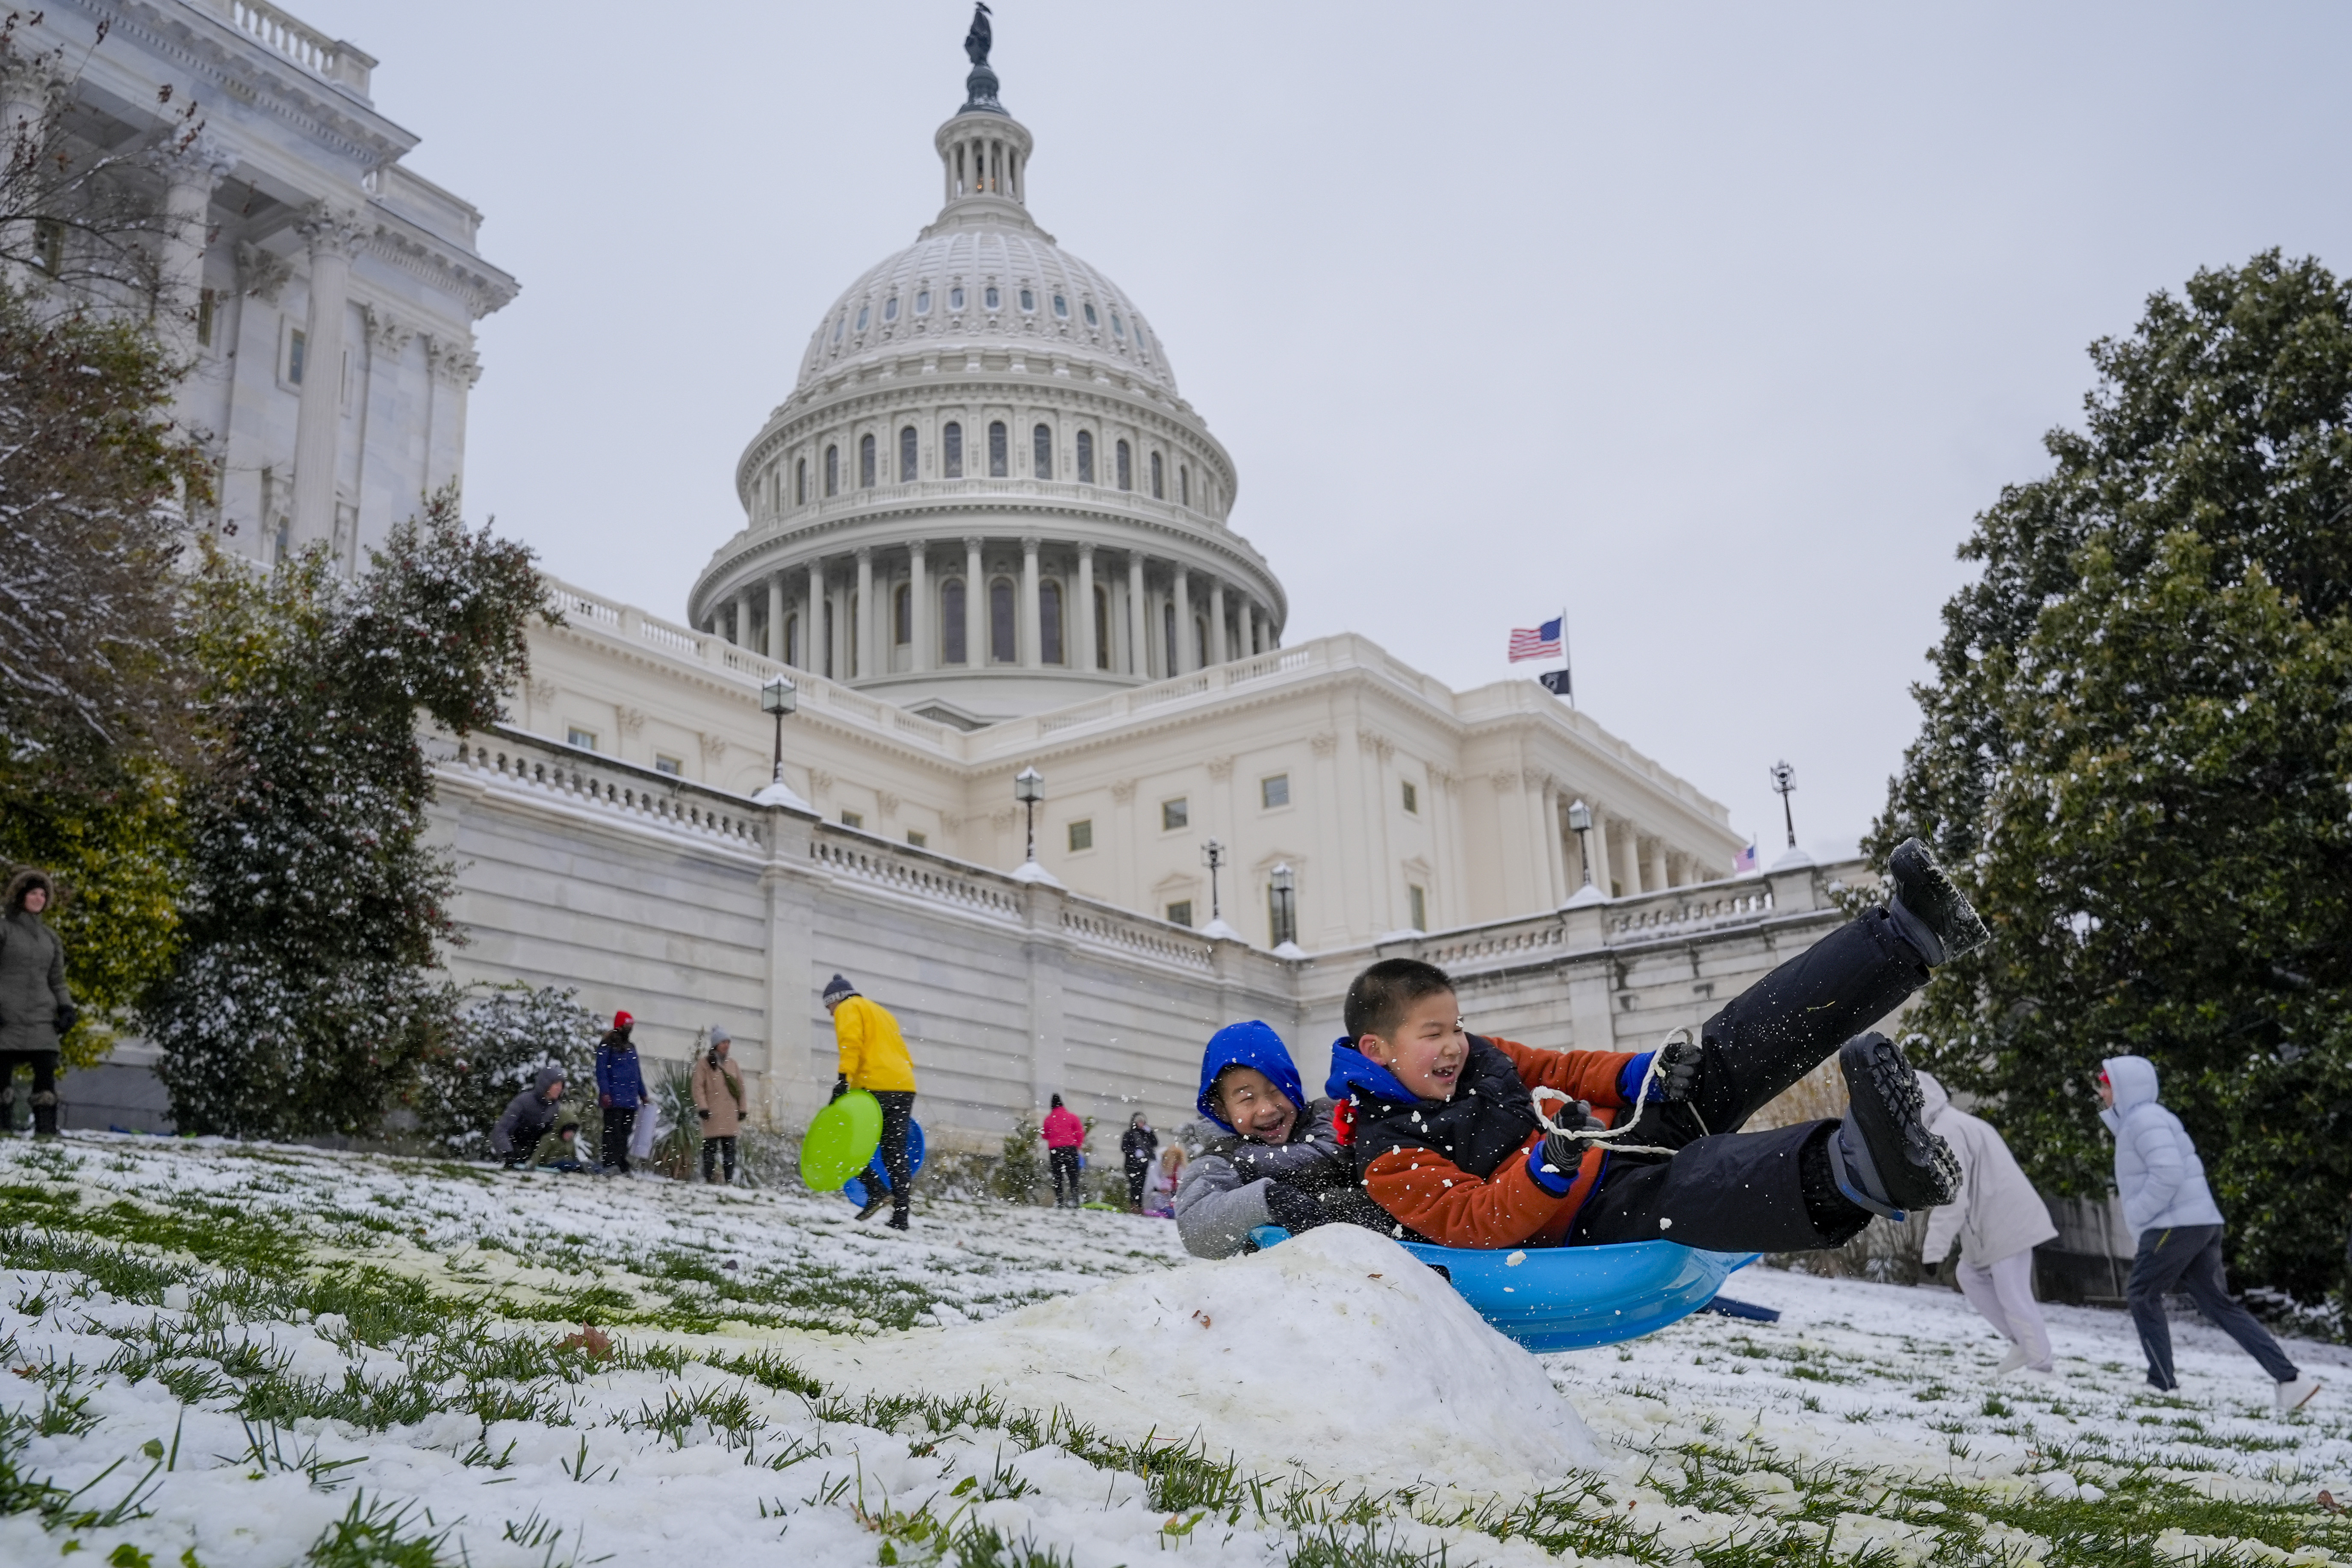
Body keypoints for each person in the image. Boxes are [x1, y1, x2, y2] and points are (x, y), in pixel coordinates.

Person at [1326, 838, 1986, 1255]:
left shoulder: (1478, 1053)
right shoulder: (1386, 1150)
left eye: (1456, 1025)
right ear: (1377, 1047)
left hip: (1626, 1127)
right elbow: (1470, 1219)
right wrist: (1544, 1169)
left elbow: (1561, 1068)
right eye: (1433, 1034)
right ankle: (1868, 1165)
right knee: (1693, 1185)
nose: (1454, 1044)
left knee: (1728, 1047)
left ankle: (1910, 937)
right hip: (1585, 1207)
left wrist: (1643, 1072)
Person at [2100, 1056, 2320, 1413]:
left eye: (2106, 1083)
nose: (2101, 1091)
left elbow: (2167, 1173)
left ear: (2124, 1086)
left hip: (2173, 1224)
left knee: (2142, 1293)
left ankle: (2160, 1383)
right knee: (2217, 1304)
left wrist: (2139, 1213)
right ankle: (2291, 1380)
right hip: (2199, 1221)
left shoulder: (2143, 1120)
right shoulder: (2148, 1119)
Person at [1175, 1020, 1387, 1258]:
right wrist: (1267, 1200)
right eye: (1247, 1099)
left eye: (1276, 1090)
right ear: (1222, 1110)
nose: (1266, 1109)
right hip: (1283, 1278)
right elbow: (1195, 1229)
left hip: (1375, 1268)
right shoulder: (1221, 1160)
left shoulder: (1335, 1120)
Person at [1917, 1071, 2060, 1376]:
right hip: (1994, 1224)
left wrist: (1933, 1251)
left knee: (2013, 1292)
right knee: (1969, 1274)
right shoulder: (1950, 1124)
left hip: (2006, 1221)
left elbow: (1953, 1197)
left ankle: (2041, 1364)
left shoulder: (1948, 1131)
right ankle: (2022, 1342)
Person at [824, 973, 918, 1229]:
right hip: (904, 1085)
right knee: (894, 1153)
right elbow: (902, 1052)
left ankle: (876, 1190)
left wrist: (843, 1080)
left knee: (846, 1143)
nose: (831, 1014)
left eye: (828, 1007)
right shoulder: (882, 1012)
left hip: (874, 1085)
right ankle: (901, 1217)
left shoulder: (848, 1008)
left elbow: (851, 1043)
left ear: (836, 999)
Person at [0, 870, 76, 1140]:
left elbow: (58, 980)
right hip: (6, 1015)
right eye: (34, 893)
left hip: (41, 1016)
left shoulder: (50, 938)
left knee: (46, 1070)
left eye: (43, 894)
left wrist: (67, 1008)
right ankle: (3, 1130)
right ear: (20, 896)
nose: (39, 898)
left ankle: (46, 1132)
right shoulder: (4, 929)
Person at [594, 1010, 646, 1174]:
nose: (630, 1028)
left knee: (624, 1133)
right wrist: (605, 1093)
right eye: (627, 1024)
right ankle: (610, 1162)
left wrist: (643, 1094)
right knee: (612, 1131)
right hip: (614, 1099)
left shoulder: (631, 1048)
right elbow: (601, 1071)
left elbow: (637, 1073)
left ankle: (621, 1161)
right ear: (620, 1025)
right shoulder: (607, 1045)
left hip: (630, 1100)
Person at [694, 1025, 746, 1186]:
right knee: (710, 1149)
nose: (727, 1046)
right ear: (716, 1044)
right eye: (723, 1042)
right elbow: (698, 1087)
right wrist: (703, 1107)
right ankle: (708, 1178)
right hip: (712, 1114)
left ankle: (729, 1180)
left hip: (730, 1114)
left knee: (729, 1150)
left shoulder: (733, 1064)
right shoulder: (704, 1064)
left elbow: (741, 1088)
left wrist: (743, 1109)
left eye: (728, 1043)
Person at [491, 1066, 567, 1170]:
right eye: (556, 1085)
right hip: (513, 1152)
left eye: (561, 1085)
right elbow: (501, 1129)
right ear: (546, 1084)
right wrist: (507, 1153)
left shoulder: (555, 1107)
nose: (560, 1088)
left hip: (533, 1159)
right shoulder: (524, 1101)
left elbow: (548, 1136)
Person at [1042, 1094, 1084, 1208]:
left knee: (1058, 1177)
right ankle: (1075, 1199)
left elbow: (1045, 1135)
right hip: (1070, 1149)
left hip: (1055, 1150)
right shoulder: (1072, 1117)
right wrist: (1077, 1146)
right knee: (1073, 1176)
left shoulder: (1049, 1119)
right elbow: (1080, 1132)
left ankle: (1060, 1200)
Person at [1120, 1113, 1159, 1211]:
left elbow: (1155, 1143)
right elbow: (1124, 1147)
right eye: (1139, 1122)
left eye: (1142, 1122)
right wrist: (1134, 1152)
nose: (1141, 1124)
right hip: (1132, 1164)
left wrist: (1151, 1132)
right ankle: (1133, 1204)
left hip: (1143, 1164)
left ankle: (1139, 1205)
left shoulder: (1146, 1134)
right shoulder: (1129, 1134)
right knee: (1134, 1185)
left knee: (1141, 1185)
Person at [1147, 1142, 1186, 1217]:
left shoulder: (1178, 1166)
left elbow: (1182, 1178)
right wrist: (1161, 1187)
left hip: (1171, 1193)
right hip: (1159, 1192)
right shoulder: (1158, 1163)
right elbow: (1154, 1177)